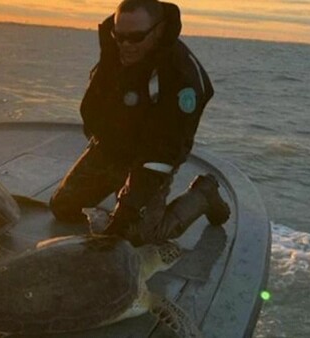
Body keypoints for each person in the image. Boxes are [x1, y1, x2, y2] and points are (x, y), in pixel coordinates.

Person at [49, 0, 230, 246]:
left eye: (135, 37)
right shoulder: (116, 49)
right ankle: (119, 185)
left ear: (159, 29)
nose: (125, 45)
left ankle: (203, 194)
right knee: (64, 207)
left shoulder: (181, 77)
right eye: (119, 35)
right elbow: (94, 108)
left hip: (153, 157)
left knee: (134, 236)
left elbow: (166, 149)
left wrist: (131, 205)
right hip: (113, 147)